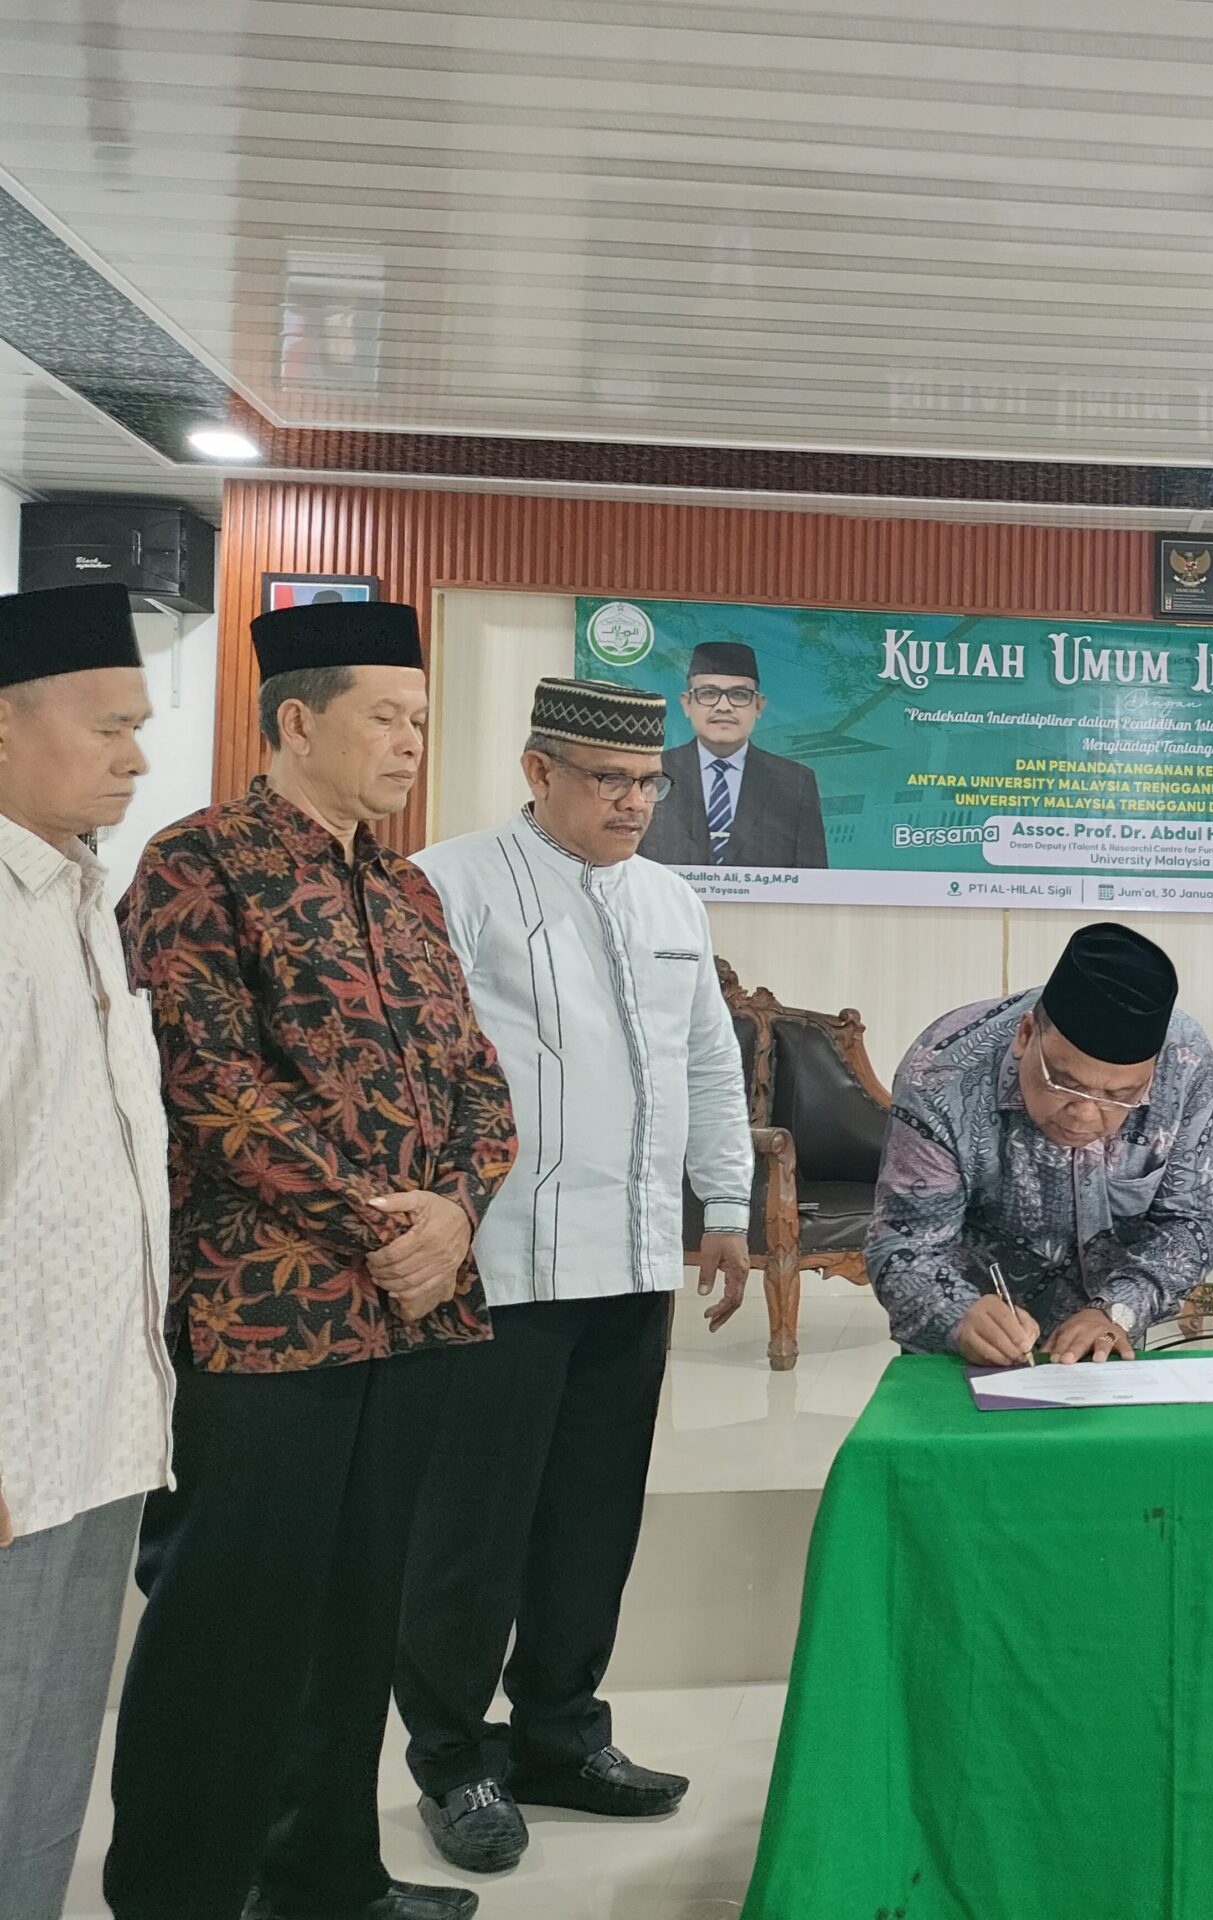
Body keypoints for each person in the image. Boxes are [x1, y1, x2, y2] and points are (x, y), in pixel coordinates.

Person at [109, 599, 519, 1920]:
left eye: (420, 719)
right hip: (265, 1325)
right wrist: (386, 1228)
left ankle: (326, 1880)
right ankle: (179, 1893)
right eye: (386, 717)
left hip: (416, 1319)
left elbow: (477, 1080)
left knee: (357, 1620)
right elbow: (210, 1090)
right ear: (296, 720)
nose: (411, 742)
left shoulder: (406, 890)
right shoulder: (197, 867)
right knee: (230, 1631)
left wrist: (456, 1211)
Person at [392, 679, 756, 1875]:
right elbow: (421, 1072)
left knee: (592, 1521)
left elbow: (707, 1057)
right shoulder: (452, 882)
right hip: (497, 1267)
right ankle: (453, 1760)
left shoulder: (669, 897)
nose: (633, 803)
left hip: (634, 1259)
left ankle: (558, 1736)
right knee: (473, 1530)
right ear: (537, 771)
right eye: (608, 781)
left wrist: (725, 1205)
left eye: (648, 782)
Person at [0, 584, 172, 1920]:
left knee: (49, 1772)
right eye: (108, 726)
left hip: (102, 1421)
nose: (136, 757)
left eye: (139, 727)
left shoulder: (81, 898)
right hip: (13, 1443)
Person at [866, 922, 1213, 1365]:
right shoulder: (943, 1073)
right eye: (1064, 1083)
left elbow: (1194, 1220)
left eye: (1119, 1096)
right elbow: (905, 1241)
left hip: (1104, 1342)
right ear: (1025, 1035)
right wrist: (955, 1314)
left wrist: (1118, 1308)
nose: (1085, 1114)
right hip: (968, 1339)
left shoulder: (1184, 1064)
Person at [637, 640, 828, 868]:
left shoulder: (795, 781)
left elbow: (814, 876)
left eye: (739, 694)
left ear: (758, 706)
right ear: (687, 704)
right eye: (708, 693)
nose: (724, 706)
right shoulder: (653, 772)